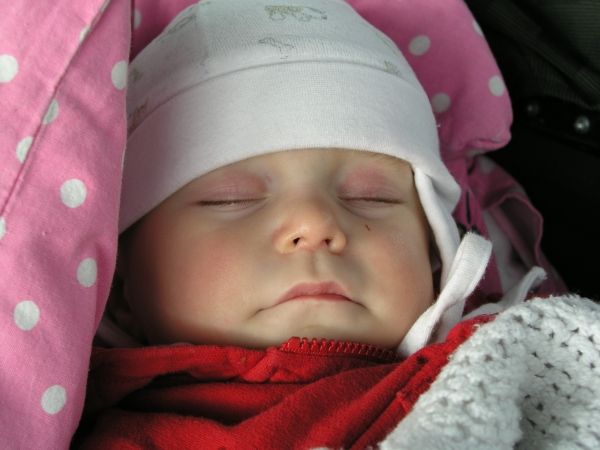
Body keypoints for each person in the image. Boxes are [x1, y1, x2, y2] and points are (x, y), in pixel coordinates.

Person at [73, 0, 600, 448]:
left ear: (436, 257)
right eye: (230, 199)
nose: (315, 222)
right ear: (121, 291)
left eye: (371, 196)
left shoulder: (527, 360)